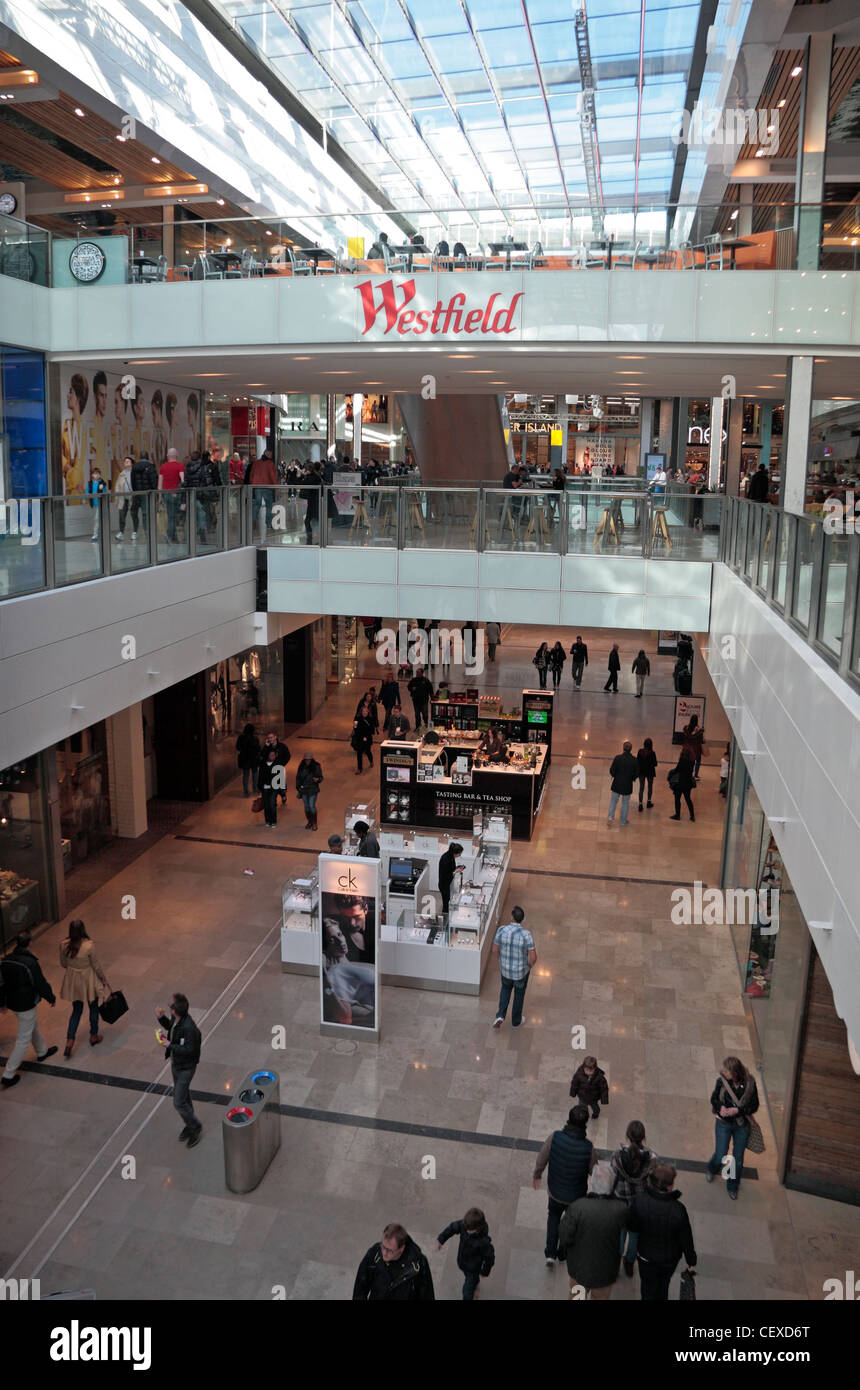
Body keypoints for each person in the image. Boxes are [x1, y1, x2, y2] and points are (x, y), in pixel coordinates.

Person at [533, 1105, 596, 1265]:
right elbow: (594, 1172)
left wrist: (537, 1174)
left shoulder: (555, 1137)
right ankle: (563, 1251)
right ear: (585, 1124)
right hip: (576, 1197)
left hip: (555, 1191)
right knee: (571, 1223)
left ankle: (550, 1253)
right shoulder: (588, 1148)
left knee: (553, 1218)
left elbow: (541, 1158)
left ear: (568, 1119)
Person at [557, 1163, 628, 1300]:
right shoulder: (620, 1209)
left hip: (579, 1271)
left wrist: (564, 1251)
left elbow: (565, 1235)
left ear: (593, 1182)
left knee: (577, 1297)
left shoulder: (577, 1207)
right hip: (605, 1273)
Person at [626, 1164, 697, 1300]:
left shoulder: (640, 1202)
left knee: (647, 1287)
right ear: (669, 1186)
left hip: (646, 1256)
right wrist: (690, 1259)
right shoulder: (678, 1209)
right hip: (668, 1260)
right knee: (663, 1285)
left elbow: (632, 1226)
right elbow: (686, 1238)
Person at [0, 931, 58, 1089]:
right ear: (29, 944)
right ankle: (8, 1074)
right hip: (25, 1004)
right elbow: (40, 983)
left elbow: (1, 983)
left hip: (13, 1002)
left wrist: (2, 1003)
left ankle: (42, 1051)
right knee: (23, 1040)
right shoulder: (30, 963)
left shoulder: (6, 960)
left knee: (32, 1026)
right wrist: (50, 997)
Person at [706, 1056, 760, 1199]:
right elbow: (714, 1099)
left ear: (735, 1073)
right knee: (720, 1154)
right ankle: (712, 1168)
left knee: (738, 1159)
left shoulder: (749, 1084)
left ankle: (733, 1186)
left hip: (741, 1126)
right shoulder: (721, 1082)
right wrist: (720, 1107)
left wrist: (738, 1111)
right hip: (723, 1123)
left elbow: (754, 1106)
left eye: (727, 1071)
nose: (723, 1072)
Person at [611, 1121, 657, 1276]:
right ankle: (629, 1263)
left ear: (627, 1136)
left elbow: (612, 1177)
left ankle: (615, 1262)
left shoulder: (617, 1156)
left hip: (620, 1202)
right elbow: (652, 1182)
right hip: (639, 1204)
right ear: (644, 1137)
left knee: (620, 1233)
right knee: (635, 1236)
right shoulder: (651, 1158)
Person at [156, 993, 202, 1147]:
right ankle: (190, 1124)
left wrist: (170, 1045)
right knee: (183, 1096)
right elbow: (172, 1029)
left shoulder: (190, 1028)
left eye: (170, 1006)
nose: (168, 1007)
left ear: (175, 1010)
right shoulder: (177, 1020)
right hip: (176, 1064)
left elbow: (191, 1050)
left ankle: (195, 1125)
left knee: (178, 1102)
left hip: (186, 1068)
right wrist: (161, 1018)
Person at [59, 920, 110, 1058]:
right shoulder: (88, 945)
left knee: (76, 1010)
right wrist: (103, 979)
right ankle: (94, 1035)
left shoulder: (63, 945)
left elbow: (63, 963)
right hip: (88, 980)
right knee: (93, 1008)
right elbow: (96, 965)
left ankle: (70, 1040)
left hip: (73, 981)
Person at [353, 1223, 435, 1301]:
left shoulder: (418, 1263)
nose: (384, 1253)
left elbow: (427, 1295)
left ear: (401, 1248)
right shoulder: (374, 1253)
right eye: (383, 1246)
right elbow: (360, 1289)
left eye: (389, 1250)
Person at [436, 1206, 495, 1301]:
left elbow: (490, 1258)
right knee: (470, 1279)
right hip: (462, 1261)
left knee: (467, 1290)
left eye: (469, 1230)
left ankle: (473, 1285)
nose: (466, 1231)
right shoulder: (465, 1224)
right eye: (465, 1227)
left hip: (473, 1268)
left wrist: (485, 1271)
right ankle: (475, 1282)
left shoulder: (484, 1243)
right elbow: (452, 1228)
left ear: (478, 1229)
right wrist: (442, 1239)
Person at [491, 905, 535, 1030]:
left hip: (505, 970)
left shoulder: (501, 930)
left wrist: (501, 960)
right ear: (522, 919)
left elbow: (494, 950)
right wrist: (529, 966)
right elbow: (533, 957)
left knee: (505, 989)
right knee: (519, 995)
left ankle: (500, 1015)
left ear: (511, 916)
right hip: (521, 972)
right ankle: (516, 1021)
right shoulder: (526, 935)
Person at [248, 448, 278, 536]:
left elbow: (251, 475)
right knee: (269, 505)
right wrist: (276, 488)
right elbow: (273, 476)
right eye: (270, 454)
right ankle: (268, 524)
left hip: (257, 486)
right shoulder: (270, 464)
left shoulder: (256, 463)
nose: (271, 456)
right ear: (267, 454)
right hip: (267, 487)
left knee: (257, 504)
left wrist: (252, 484)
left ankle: (253, 522)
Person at [607, 740, 638, 826]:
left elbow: (612, 770)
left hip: (617, 783)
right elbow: (636, 773)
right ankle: (623, 821)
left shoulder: (617, 758)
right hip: (627, 785)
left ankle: (610, 816)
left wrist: (614, 775)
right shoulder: (634, 760)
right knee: (625, 803)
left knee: (613, 801)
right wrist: (632, 779)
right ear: (631, 749)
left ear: (623, 748)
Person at [570, 1054, 610, 1121]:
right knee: (582, 1108)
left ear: (595, 1068)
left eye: (591, 1071)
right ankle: (582, 1117)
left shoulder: (600, 1077)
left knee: (596, 1108)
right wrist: (573, 1093)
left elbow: (604, 1088)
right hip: (582, 1097)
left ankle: (595, 1114)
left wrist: (604, 1099)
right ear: (583, 1067)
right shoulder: (579, 1074)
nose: (588, 1072)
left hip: (593, 1098)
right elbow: (574, 1084)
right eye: (587, 1070)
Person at [130, 450, 158, 540]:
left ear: (140, 457)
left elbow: (132, 481)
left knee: (136, 512)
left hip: (138, 493)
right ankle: (147, 532)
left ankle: (139, 530)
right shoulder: (150, 466)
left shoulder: (134, 467)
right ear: (147, 457)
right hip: (148, 494)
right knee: (146, 513)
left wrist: (135, 491)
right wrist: (154, 492)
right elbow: (154, 481)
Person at [158, 448, 185, 544]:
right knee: (174, 517)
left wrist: (160, 497)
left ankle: (174, 537)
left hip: (166, 495)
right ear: (177, 455)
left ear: (167, 456)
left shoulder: (162, 467)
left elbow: (160, 483)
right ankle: (169, 535)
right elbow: (183, 481)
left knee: (170, 516)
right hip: (176, 494)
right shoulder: (180, 467)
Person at [295, 753, 324, 831]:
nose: (307, 761)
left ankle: (314, 823)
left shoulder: (316, 766)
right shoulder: (301, 767)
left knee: (311, 806)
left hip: (313, 789)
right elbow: (298, 777)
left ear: (311, 760)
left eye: (309, 760)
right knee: (307, 807)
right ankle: (310, 821)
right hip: (304, 790)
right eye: (306, 760)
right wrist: (298, 787)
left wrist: (318, 780)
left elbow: (321, 777)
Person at [261, 730, 290, 805]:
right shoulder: (267, 747)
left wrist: (282, 764)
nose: (270, 739)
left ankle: (283, 795)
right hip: (270, 770)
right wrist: (266, 747)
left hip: (279, 769)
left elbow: (288, 756)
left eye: (271, 737)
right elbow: (263, 756)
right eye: (269, 738)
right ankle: (274, 800)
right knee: (272, 786)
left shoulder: (282, 746)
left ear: (275, 737)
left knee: (281, 785)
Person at [669, 746, 696, 822]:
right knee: (688, 799)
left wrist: (671, 773)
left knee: (677, 798)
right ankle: (692, 815)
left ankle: (677, 815)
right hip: (688, 782)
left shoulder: (682, 759)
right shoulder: (692, 761)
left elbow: (677, 769)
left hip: (680, 782)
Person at [438, 841, 464, 917]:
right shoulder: (446, 859)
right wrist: (456, 871)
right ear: (456, 853)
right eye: (460, 853)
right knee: (446, 905)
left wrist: (456, 868)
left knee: (447, 903)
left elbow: (450, 870)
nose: (460, 855)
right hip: (444, 886)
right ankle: (445, 920)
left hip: (448, 884)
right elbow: (446, 875)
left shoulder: (449, 856)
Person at [235, 723, 260, 798]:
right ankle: (255, 788)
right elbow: (258, 749)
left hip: (245, 758)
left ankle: (246, 790)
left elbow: (238, 747)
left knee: (246, 774)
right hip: (254, 759)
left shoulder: (241, 738)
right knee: (255, 774)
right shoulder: (255, 738)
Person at [114, 455, 134, 541]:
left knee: (134, 515)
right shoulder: (121, 474)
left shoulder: (134, 473)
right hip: (123, 498)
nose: (126, 463)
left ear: (131, 463)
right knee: (121, 515)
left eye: (128, 461)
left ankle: (135, 532)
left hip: (132, 498)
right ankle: (121, 532)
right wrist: (116, 499)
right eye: (125, 461)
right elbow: (117, 487)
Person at [351, 700, 374, 774]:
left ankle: (371, 761)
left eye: (366, 711)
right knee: (359, 753)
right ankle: (359, 768)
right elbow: (355, 728)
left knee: (368, 751)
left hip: (367, 738)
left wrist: (366, 737)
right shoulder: (357, 718)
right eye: (363, 711)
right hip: (359, 739)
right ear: (361, 712)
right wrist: (361, 737)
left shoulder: (370, 719)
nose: (364, 712)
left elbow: (371, 730)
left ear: (368, 712)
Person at [85, 466, 107, 542]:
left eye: (97, 474)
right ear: (92, 475)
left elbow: (105, 493)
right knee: (96, 519)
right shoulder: (90, 483)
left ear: (100, 475)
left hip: (100, 504)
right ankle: (98, 533)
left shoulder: (102, 483)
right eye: (94, 474)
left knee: (97, 519)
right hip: (93, 503)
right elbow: (87, 491)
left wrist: (103, 488)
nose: (96, 475)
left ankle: (95, 534)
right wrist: (84, 499)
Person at [637, 737, 657, 812]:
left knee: (641, 787)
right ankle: (648, 801)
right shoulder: (652, 753)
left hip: (641, 772)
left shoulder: (640, 751)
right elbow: (655, 764)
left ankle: (640, 804)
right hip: (650, 772)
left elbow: (637, 761)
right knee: (650, 786)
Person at [682, 714, 706, 778]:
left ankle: (688, 773)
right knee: (698, 761)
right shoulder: (699, 730)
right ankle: (695, 775)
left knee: (688, 761)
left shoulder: (686, 728)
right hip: (696, 749)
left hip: (687, 749)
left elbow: (685, 737)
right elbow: (701, 740)